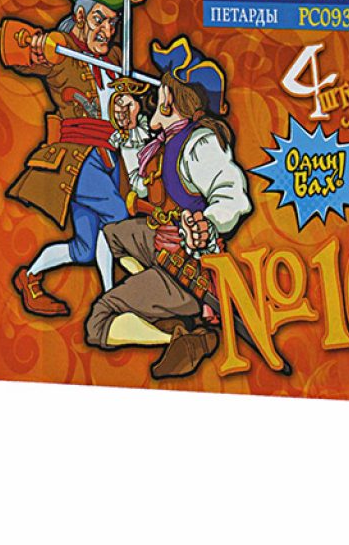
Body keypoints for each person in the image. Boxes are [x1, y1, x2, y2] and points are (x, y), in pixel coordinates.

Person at [0, 0, 148, 316]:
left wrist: (130, 107)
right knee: (119, 219)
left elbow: (124, 104)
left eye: (112, 22)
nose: (107, 29)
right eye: (99, 19)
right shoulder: (61, 51)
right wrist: (35, 42)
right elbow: (3, 41)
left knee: (86, 248)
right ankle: (117, 299)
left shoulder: (116, 58)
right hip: (79, 160)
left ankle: (31, 277)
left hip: (110, 158)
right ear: (79, 16)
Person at [86, 36, 252, 378]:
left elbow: (233, 196)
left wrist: (206, 224)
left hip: (191, 267)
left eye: (163, 89)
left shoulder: (199, 143)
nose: (156, 94)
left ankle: (181, 335)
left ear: (173, 100)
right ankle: (171, 316)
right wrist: (129, 135)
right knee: (112, 236)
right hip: (162, 241)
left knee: (98, 321)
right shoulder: (165, 143)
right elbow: (143, 184)